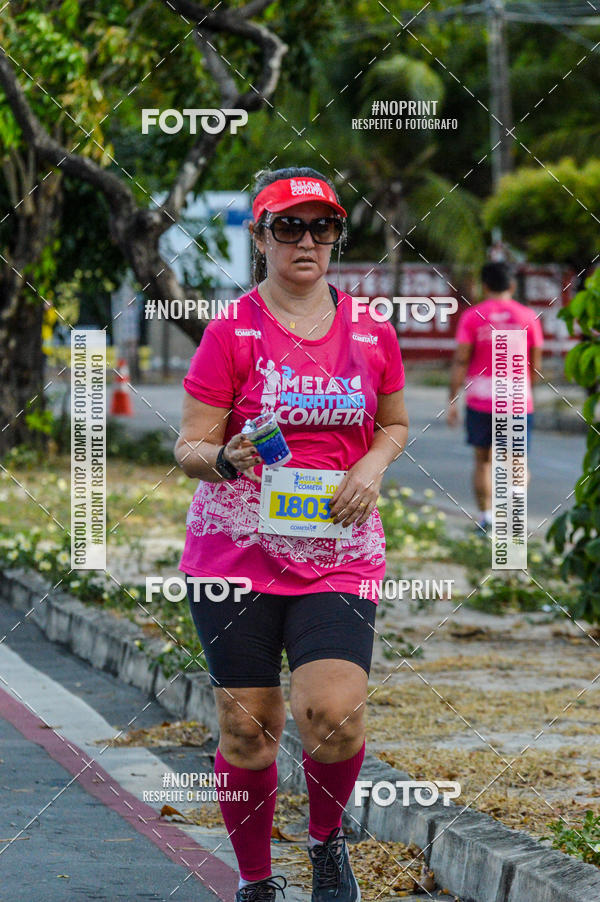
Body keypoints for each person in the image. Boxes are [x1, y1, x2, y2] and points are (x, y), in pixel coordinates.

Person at [174, 166, 408, 902]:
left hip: (338, 547)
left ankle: (326, 844)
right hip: (235, 553)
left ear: (337, 234)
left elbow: (395, 423)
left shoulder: (372, 330)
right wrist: (224, 457)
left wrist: (372, 461)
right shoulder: (230, 330)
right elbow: (188, 448)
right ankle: (254, 881)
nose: (307, 241)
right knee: (250, 730)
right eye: (288, 226)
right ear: (261, 237)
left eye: (322, 226)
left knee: (331, 714)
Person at [447, 261, 544, 531]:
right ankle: (513, 516)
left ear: (485, 286)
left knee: (483, 461)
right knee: (517, 461)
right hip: (516, 400)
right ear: (512, 286)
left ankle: (487, 517)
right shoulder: (528, 317)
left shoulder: (472, 316)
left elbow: (460, 361)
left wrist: (452, 400)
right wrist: (526, 392)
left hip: (480, 400)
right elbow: (535, 364)